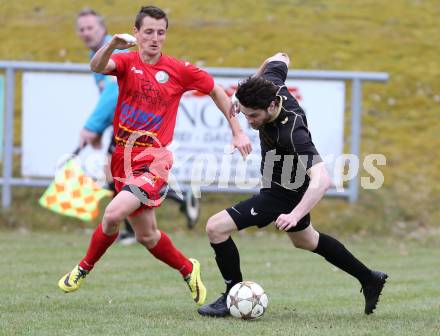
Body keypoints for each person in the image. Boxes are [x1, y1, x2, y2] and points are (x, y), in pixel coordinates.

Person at [58, 6, 252, 307]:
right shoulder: (125, 61)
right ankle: (189, 269)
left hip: (154, 160)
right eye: (148, 32)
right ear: (136, 32)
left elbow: (216, 91)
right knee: (147, 236)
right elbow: (96, 66)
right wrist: (110, 45)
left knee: (112, 214)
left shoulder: (179, 69)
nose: (155, 38)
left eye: (161, 32)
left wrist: (237, 130)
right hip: (122, 157)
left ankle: (83, 267)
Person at [197, 52, 388, 316]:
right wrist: (241, 95)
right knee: (306, 240)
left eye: (253, 116)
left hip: (283, 193)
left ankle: (231, 296)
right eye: (246, 115)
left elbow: (323, 180)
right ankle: (369, 278)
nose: (249, 122)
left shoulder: (292, 133)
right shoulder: (271, 86)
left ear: (273, 106)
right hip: (280, 184)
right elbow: (281, 56)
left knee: (215, 228)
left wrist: (294, 213)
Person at [76, 8, 135, 245]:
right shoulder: (96, 54)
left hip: (133, 123)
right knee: (115, 173)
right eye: (81, 29)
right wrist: (99, 130)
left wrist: (91, 127)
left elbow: (113, 92)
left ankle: (130, 229)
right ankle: (129, 228)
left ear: (102, 29)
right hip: (121, 123)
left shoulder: (116, 52)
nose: (86, 32)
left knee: (118, 173)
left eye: (90, 27)